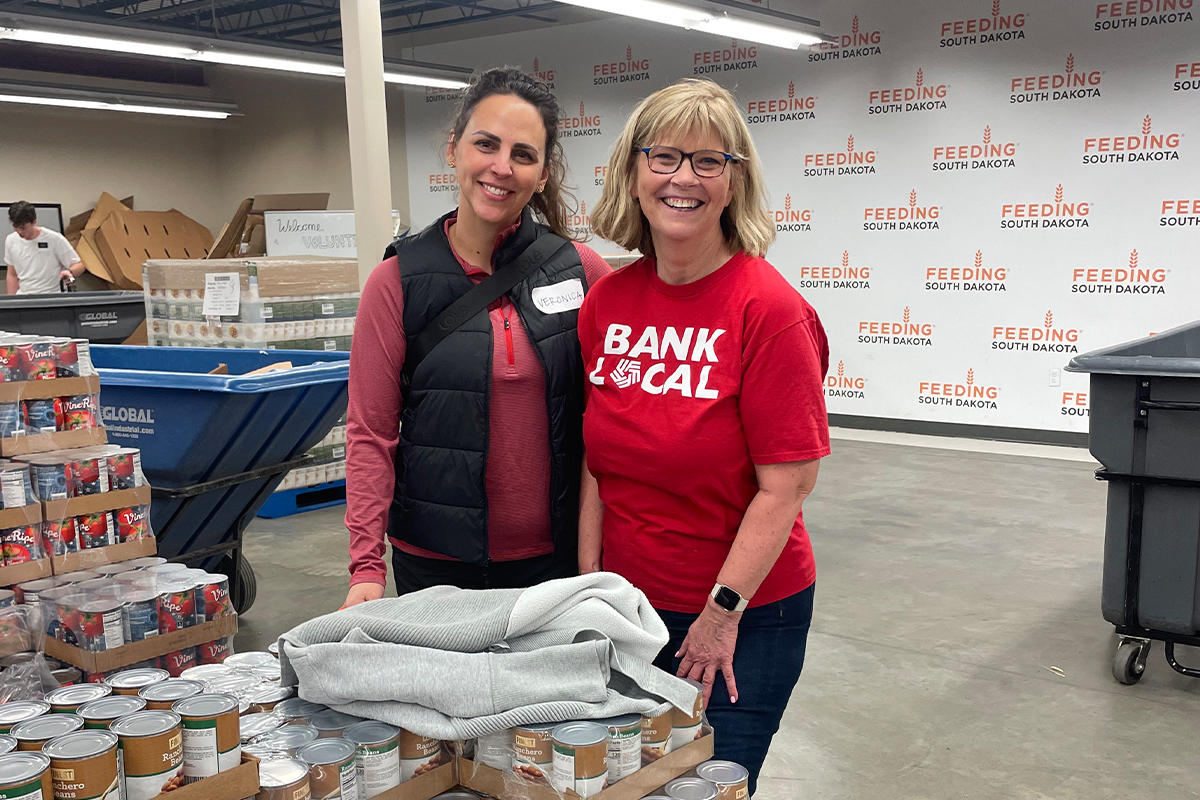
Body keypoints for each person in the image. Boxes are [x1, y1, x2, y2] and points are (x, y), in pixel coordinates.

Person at [578, 78, 830, 794]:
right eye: (664, 157)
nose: (683, 178)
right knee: (623, 782)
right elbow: (599, 465)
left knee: (701, 785)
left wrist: (721, 616)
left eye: (709, 161)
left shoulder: (770, 311)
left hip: (742, 617)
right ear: (633, 171)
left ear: (732, 182)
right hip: (630, 607)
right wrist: (591, 588)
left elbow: (787, 487)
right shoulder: (608, 303)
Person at [343, 67, 610, 607]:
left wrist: (592, 558)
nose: (501, 167)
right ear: (454, 150)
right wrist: (365, 568)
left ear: (542, 171)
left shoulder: (581, 271)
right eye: (485, 144)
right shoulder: (396, 283)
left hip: (555, 567)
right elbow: (371, 433)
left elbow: (615, 423)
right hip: (433, 567)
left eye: (523, 154)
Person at [5, 202, 83, 295]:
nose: (19, 231)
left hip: (52, 296)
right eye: (15, 227)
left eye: (23, 227)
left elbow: (79, 265)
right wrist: (13, 302)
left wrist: (70, 272)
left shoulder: (54, 239)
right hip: (24, 297)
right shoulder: (11, 240)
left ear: (34, 222)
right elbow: (12, 275)